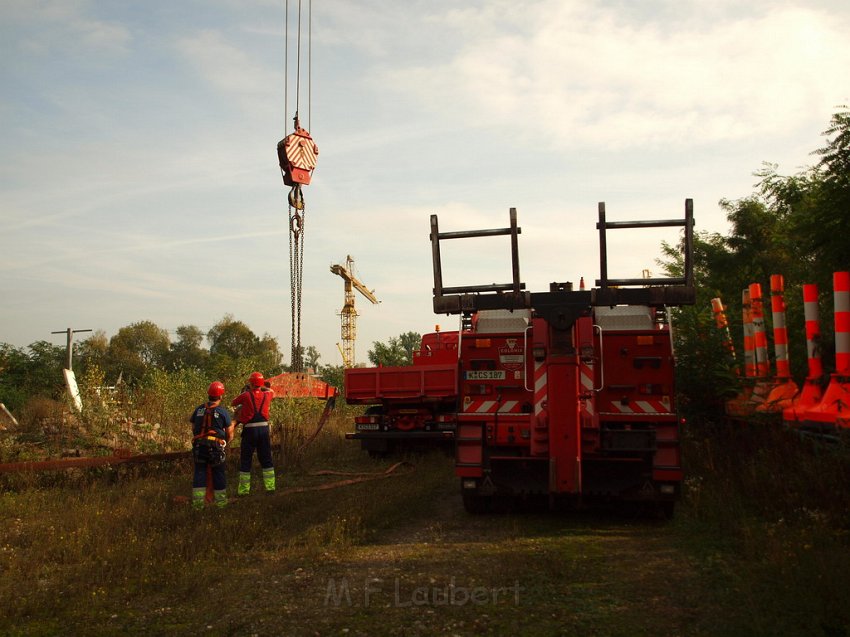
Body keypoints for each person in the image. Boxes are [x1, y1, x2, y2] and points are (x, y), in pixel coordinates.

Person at [189, 381, 234, 509]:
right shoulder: (222, 412)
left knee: (199, 472)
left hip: (199, 446)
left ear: (208, 394)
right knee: (218, 473)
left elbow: (193, 427)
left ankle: (198, 504)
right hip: (215, 447)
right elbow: (229, 432)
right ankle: (220, 503)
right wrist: (226, 442)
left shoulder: (199, 409)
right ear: (220, 396)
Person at [231, 371, 276, 495]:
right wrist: (262, 386)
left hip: (250, 430)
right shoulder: (267, 394)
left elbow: (233, 403)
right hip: (263, 429)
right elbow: (272, 391)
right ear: (261, 384)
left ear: (250, 383)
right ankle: (270, 487)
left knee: (246, 459)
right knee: (266, 459)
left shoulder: (245, 395)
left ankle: (244, 491)